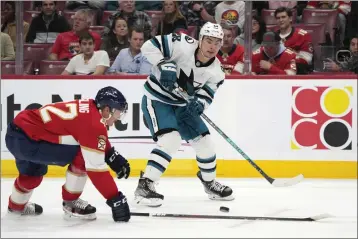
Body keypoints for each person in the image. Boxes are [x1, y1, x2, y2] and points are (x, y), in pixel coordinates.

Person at [134, 22, 234, 207]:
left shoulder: (217, 72)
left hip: (183, 106)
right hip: (157, 99)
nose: (212, 46)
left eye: (217, 43)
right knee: (171, 140)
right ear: (200, 40)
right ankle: (145, 185)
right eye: (209, 41)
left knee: (205, 143)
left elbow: (207, 94)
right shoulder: (181, 43)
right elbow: (148, 46)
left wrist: (200, 104)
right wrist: (164, 63)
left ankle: (210, 183)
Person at [5, 86, 131, 222]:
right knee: (82, 154)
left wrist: (111, 154)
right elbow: (96, 168)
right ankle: (71, 204)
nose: (118, 118)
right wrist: (115, 198)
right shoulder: (95, 124)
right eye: (118, 112)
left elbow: (90, 136)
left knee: (32, 174)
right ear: (107, 110)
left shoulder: (89, 107)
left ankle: (16, 206)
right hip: (30, 142)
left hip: (16, 133)